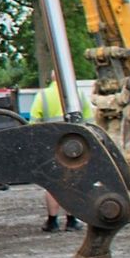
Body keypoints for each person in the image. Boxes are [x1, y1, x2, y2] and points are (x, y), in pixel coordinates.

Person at [29, 68, 95, 230]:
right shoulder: (79, 95)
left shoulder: (42, 96)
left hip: (50, 146)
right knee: (72, 183)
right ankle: (72, 220)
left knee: (53, 184)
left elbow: (33, 124)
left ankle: (52, 222)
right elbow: (90, 122)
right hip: (75, 146)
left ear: (52, 79)